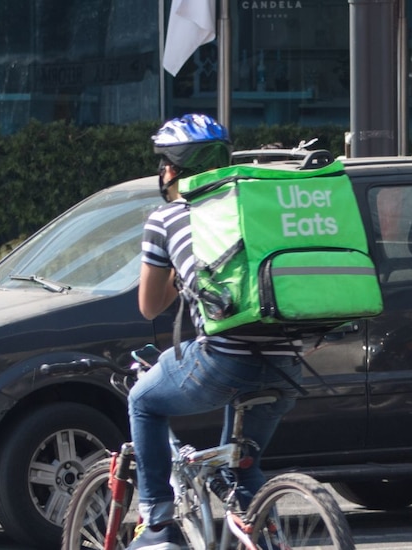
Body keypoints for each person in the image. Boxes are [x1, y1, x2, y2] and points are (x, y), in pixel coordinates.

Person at [127, 113, 304, 550]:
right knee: (241, 468)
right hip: (288, 362)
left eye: (164, 163)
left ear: (173, 168)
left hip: (223, 361)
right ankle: (264, 537)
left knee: (142, 401)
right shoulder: (255, 205)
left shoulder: (166, 218)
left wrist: (180, 269)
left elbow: (150, 305)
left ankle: (156, 523)